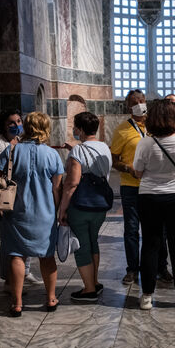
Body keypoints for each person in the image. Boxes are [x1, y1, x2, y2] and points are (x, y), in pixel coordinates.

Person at [0, 112, 65, 317]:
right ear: (46, 129)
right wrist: (60, 212)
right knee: (47, 256)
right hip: (45, 214)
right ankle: (51, 298)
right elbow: (56, 188)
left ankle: (17, 303)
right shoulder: (53, 155)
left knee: (17, 255)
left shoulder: (12, 151)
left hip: (17, 212)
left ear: (26, 128)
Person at [132, 100, 175, 310]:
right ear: (174, 118)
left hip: (149, 196)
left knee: (151, 244)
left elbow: (138, 173)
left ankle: (147, 297)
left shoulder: (145, 143)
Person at [110, 90, 172, 285]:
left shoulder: (156, 127)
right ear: (129, 107)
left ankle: (161, 267)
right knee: (131, 230)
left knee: (158, 230)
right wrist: (127, 168)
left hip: (155, 185)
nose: (139, 103)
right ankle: (132, 269)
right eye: (135, 102)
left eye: (142, 100)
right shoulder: (122, 130)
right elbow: (114, 160)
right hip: (131, 187)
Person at [57, 111, 112, 302]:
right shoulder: (104, 147)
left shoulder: (78, 151)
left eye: (75, 126)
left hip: (81, 206)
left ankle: (88, 289)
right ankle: (94, 282)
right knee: (92, 241)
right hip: (100, 205)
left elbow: (72, 183)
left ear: (79, 129)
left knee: (81, 246)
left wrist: (62, 209)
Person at [0, 110, 41, 291]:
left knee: (24, 237)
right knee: (8, 241)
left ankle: (24, 272)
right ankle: (9, 279)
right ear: (4, 125)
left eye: (18, 121)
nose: (16, 125)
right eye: (11, 122)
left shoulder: (21, 142)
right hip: (6, 197)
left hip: (21, 198)